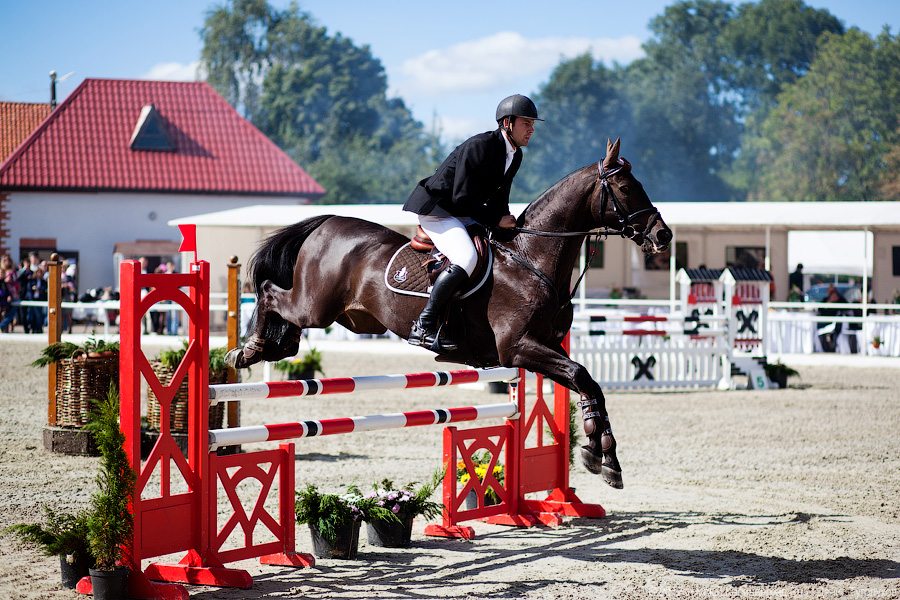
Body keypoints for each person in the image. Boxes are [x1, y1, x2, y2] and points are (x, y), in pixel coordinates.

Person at [402, 94, 541, 351]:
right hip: (439, 210)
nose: (532, 129)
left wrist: (507, 226)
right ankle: (423, 325)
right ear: (507, 123)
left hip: (464, 212)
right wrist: (495, 219)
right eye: (526, 123)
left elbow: (500, 199)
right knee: (467, 258)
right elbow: (461, 197)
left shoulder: (515, 155)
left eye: (533, 124)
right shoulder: (480, 146)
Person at [817, 284, 846, 352]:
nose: (831, 293)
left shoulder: (840, 300)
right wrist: (827, 304)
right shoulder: (826, 300)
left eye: (832, 291)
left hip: (835, 323)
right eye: (830, 291)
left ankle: (831, 345)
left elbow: (845, 309)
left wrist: (836, 301)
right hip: (825, 321)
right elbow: (820, 309)